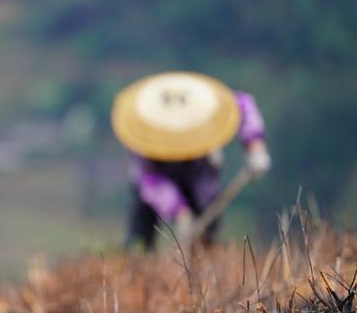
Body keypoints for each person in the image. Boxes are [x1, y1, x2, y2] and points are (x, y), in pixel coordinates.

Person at [111, 72, 271, 249]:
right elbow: (150, 182)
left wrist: (255, 146)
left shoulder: (204, 105)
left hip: (200, 182)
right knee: (138, 244)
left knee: (207, 245)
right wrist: (180, 211)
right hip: (154, 192)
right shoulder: (144, 135)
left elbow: (242, 105)